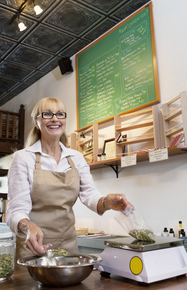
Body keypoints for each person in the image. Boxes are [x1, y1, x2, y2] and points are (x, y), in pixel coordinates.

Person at [6, 97, 133, 260]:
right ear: (37, 121)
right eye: (47, 114)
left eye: (60, 114)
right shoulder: (23, 158)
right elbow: (16, 210)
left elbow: (90, 195)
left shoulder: (76, 157)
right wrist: (29, 227)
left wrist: (106, 202)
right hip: (34, 247)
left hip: (68, 246)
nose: (54, 119)